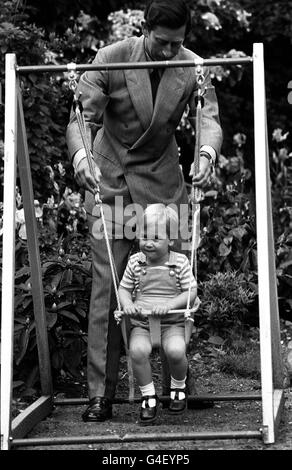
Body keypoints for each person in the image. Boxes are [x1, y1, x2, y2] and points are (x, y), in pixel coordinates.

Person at [66, 0, 223, 422]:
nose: (171, 52)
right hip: (112, 181)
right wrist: (83, 158)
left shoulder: (192, 65)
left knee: (172, 277)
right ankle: (101, 393)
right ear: (144, 28)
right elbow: (81, 115)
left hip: (164, 185)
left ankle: (178, 383)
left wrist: (206, 153)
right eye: (163, 42)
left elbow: (209, 117)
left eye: (178, 44)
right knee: (109, 288)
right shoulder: (111, 57)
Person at [118, 204, 198, 424]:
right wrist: (127, 304)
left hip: (172, 323)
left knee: (175, 350)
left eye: (155, 237)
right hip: (143, 323)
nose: (148, 242)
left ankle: (178, 387)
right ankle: (148, 396)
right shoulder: (136, 262)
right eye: (144, 236)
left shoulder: (179, 262)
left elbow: (191, 293)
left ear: (171, 240)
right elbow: (124, 289)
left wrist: (171, 304)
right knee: (137, 351)